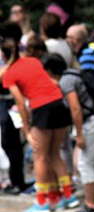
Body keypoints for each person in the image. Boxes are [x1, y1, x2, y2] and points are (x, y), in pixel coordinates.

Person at [1, 33, 75, 212]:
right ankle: (66, 196)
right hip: (58, 103)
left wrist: (26, 130)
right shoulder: (33, 62)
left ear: (3, 55)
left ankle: (41, 202)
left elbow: (19, 102)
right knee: (54, 153)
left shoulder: (9, 74)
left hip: (42, 107)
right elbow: (49, 82)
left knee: (40, 157)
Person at [46, 53, 94, 212]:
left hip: (92, 121)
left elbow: (75, 109)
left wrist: (79, 135)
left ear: (49, 70)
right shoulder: (74, 73)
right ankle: (93, 202)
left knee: (84, 163)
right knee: (92, 162)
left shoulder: (65, 82)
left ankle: (91, 205)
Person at [0, 23, 26, 195]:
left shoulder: (19, 56)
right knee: (9, 143)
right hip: (6, 102)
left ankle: (18, 181)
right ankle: (14, 179)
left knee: (13, 143)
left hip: (13, 102)